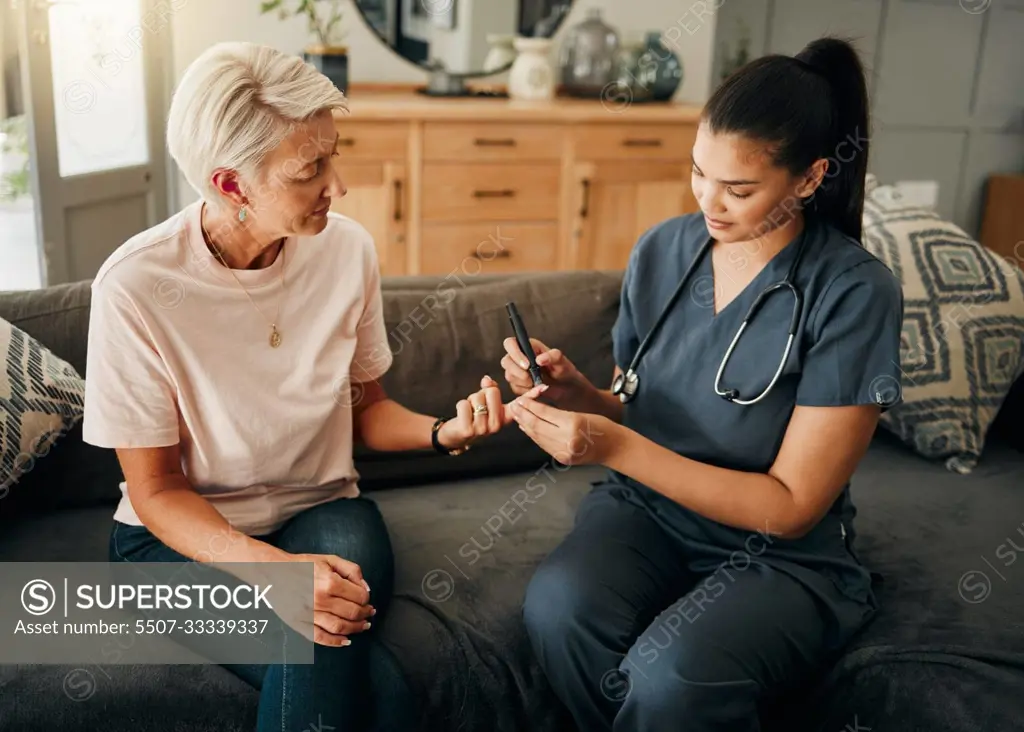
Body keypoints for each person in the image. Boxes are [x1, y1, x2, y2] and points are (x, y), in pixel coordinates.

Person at [81, 41, 542, 732]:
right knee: (351, 668)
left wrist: (444, 432)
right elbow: (155, 491)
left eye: (334, 153)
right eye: (311, 169)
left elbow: (367, 412)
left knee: (326, 636)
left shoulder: (346, 250)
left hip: (325, 511)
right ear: (231, 184)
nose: (341, 185)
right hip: (176, 546)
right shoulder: (137, 287)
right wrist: (272, 574)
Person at [501, 37, 904, 732]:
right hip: (648, 512)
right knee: (558, 610)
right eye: (699, 174)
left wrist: (608, 444)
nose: (709, 204)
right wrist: (581, 398)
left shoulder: (853, 292)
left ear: (809, 179)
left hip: (779, 554)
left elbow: (790, 507)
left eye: (739, 189)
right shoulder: (663, 249)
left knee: (671, 675)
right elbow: (641, 405)